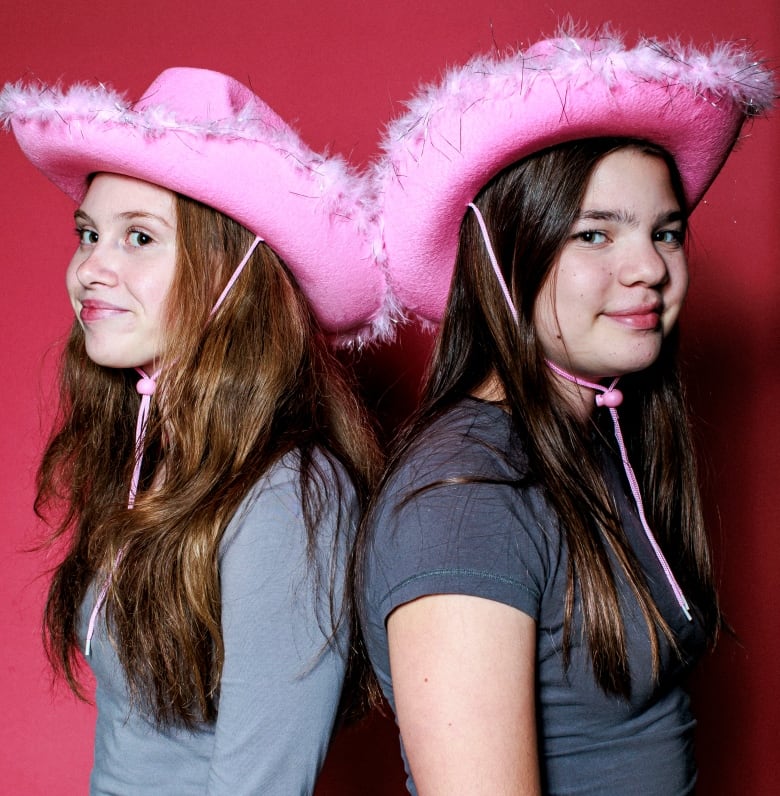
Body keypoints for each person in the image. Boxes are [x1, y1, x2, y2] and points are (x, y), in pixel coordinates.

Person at [358, 32, 775, 794]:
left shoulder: (590, 439)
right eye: (594, 232)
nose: (650, 266)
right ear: (506, 254)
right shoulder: (468, 503)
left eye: (665, 232)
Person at [1, 67, 391, 793]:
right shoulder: (158, 457)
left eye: (139, 238)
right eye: (89, 234)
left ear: (231, 276)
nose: (92, 267)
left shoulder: (289, 496)